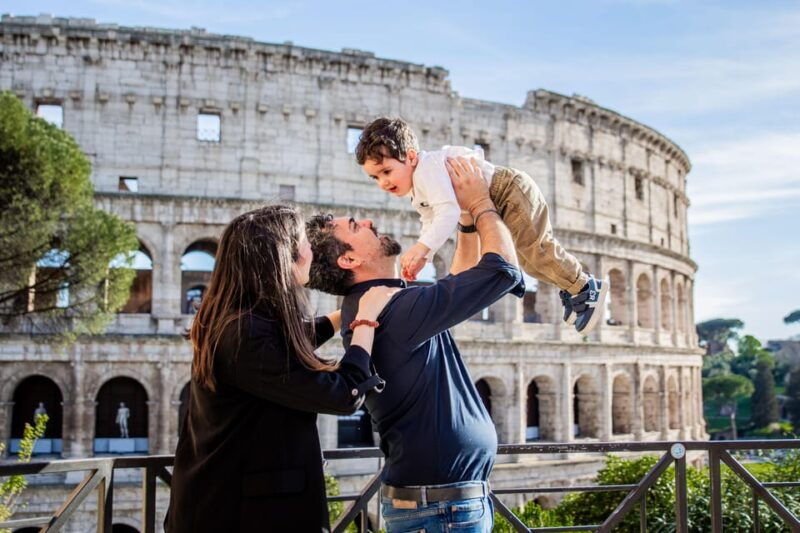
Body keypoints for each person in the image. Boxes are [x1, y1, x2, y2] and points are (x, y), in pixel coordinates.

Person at [306, 157, 524, 533]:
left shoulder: (384, 304)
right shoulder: (394, 310)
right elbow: (503, 270)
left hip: (442, 505)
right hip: (442, 511)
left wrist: (466, 222)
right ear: (350, 258)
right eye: (357, 226)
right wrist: (481, 204)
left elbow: (457, 279)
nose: (371, 222)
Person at [165, 205, 397, 533]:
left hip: (225, 502)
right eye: (303, 241)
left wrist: (337, 317)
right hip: (242, 513)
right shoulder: (246, 334)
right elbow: (344, 394)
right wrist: (364, 322)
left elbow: (285, 346)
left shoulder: (236, 318)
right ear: (282, 256)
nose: (311, 250)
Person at [354, 116, 609, 334]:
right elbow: (430, 220)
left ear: (410, 157)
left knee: (537, 252)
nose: (382, 183)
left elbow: (448, 212)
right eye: (375, 177)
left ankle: (585, 287)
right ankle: (572, 286)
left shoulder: (426, 169)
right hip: (503, 197)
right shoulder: (417, 188)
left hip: (509, 190)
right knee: (528, 260)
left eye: (386, 171)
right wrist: (426, 256)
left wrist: (421, 248)